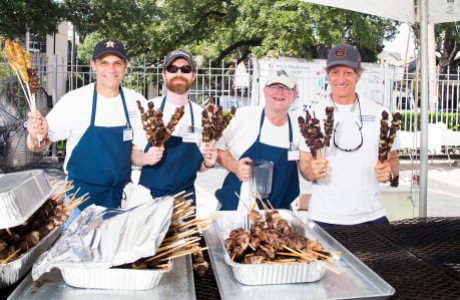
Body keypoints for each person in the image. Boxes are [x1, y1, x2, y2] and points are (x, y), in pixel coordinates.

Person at [27, 38, 146, 213]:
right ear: (93, 65)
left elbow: (138, 152)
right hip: (78, 201)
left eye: (117, 63)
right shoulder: (74, 100)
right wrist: (34, 135)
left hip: (120, 201)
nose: (111, 69)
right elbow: (36, 145)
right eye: (104, 62)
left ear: (125, 66)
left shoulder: (137, 103)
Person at [299, 43, 400, 230]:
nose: (341, 78)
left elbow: (393, 159)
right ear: (327, 75)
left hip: (371, 216)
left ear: (358, 76)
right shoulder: (312, 115)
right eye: (335, 72)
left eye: (348, 72)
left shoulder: (380, 113)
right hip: (324, 218)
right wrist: (310, 171)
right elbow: (304, 162)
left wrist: (390, 172)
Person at [131, 49, 216, 204]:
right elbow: (133, 154)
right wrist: (145, 158)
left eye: (185, 69)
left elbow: (201, 167)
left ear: (193, 75)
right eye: (172, 69)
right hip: (149, 200)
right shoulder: (149, 109)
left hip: (185, 204)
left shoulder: (202, 116)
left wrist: (208, 163)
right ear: (164, 75)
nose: (179, 73)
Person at [215, 69, 302, 210]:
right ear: (265, 90)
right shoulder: (242, 117)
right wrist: (235, 167)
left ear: (295, 95)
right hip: (237, 209)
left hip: (277, 216)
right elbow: (218, 149)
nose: (279, 92)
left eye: (286, 88)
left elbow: (307, 166)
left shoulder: (299, 128)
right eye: (274, 87)